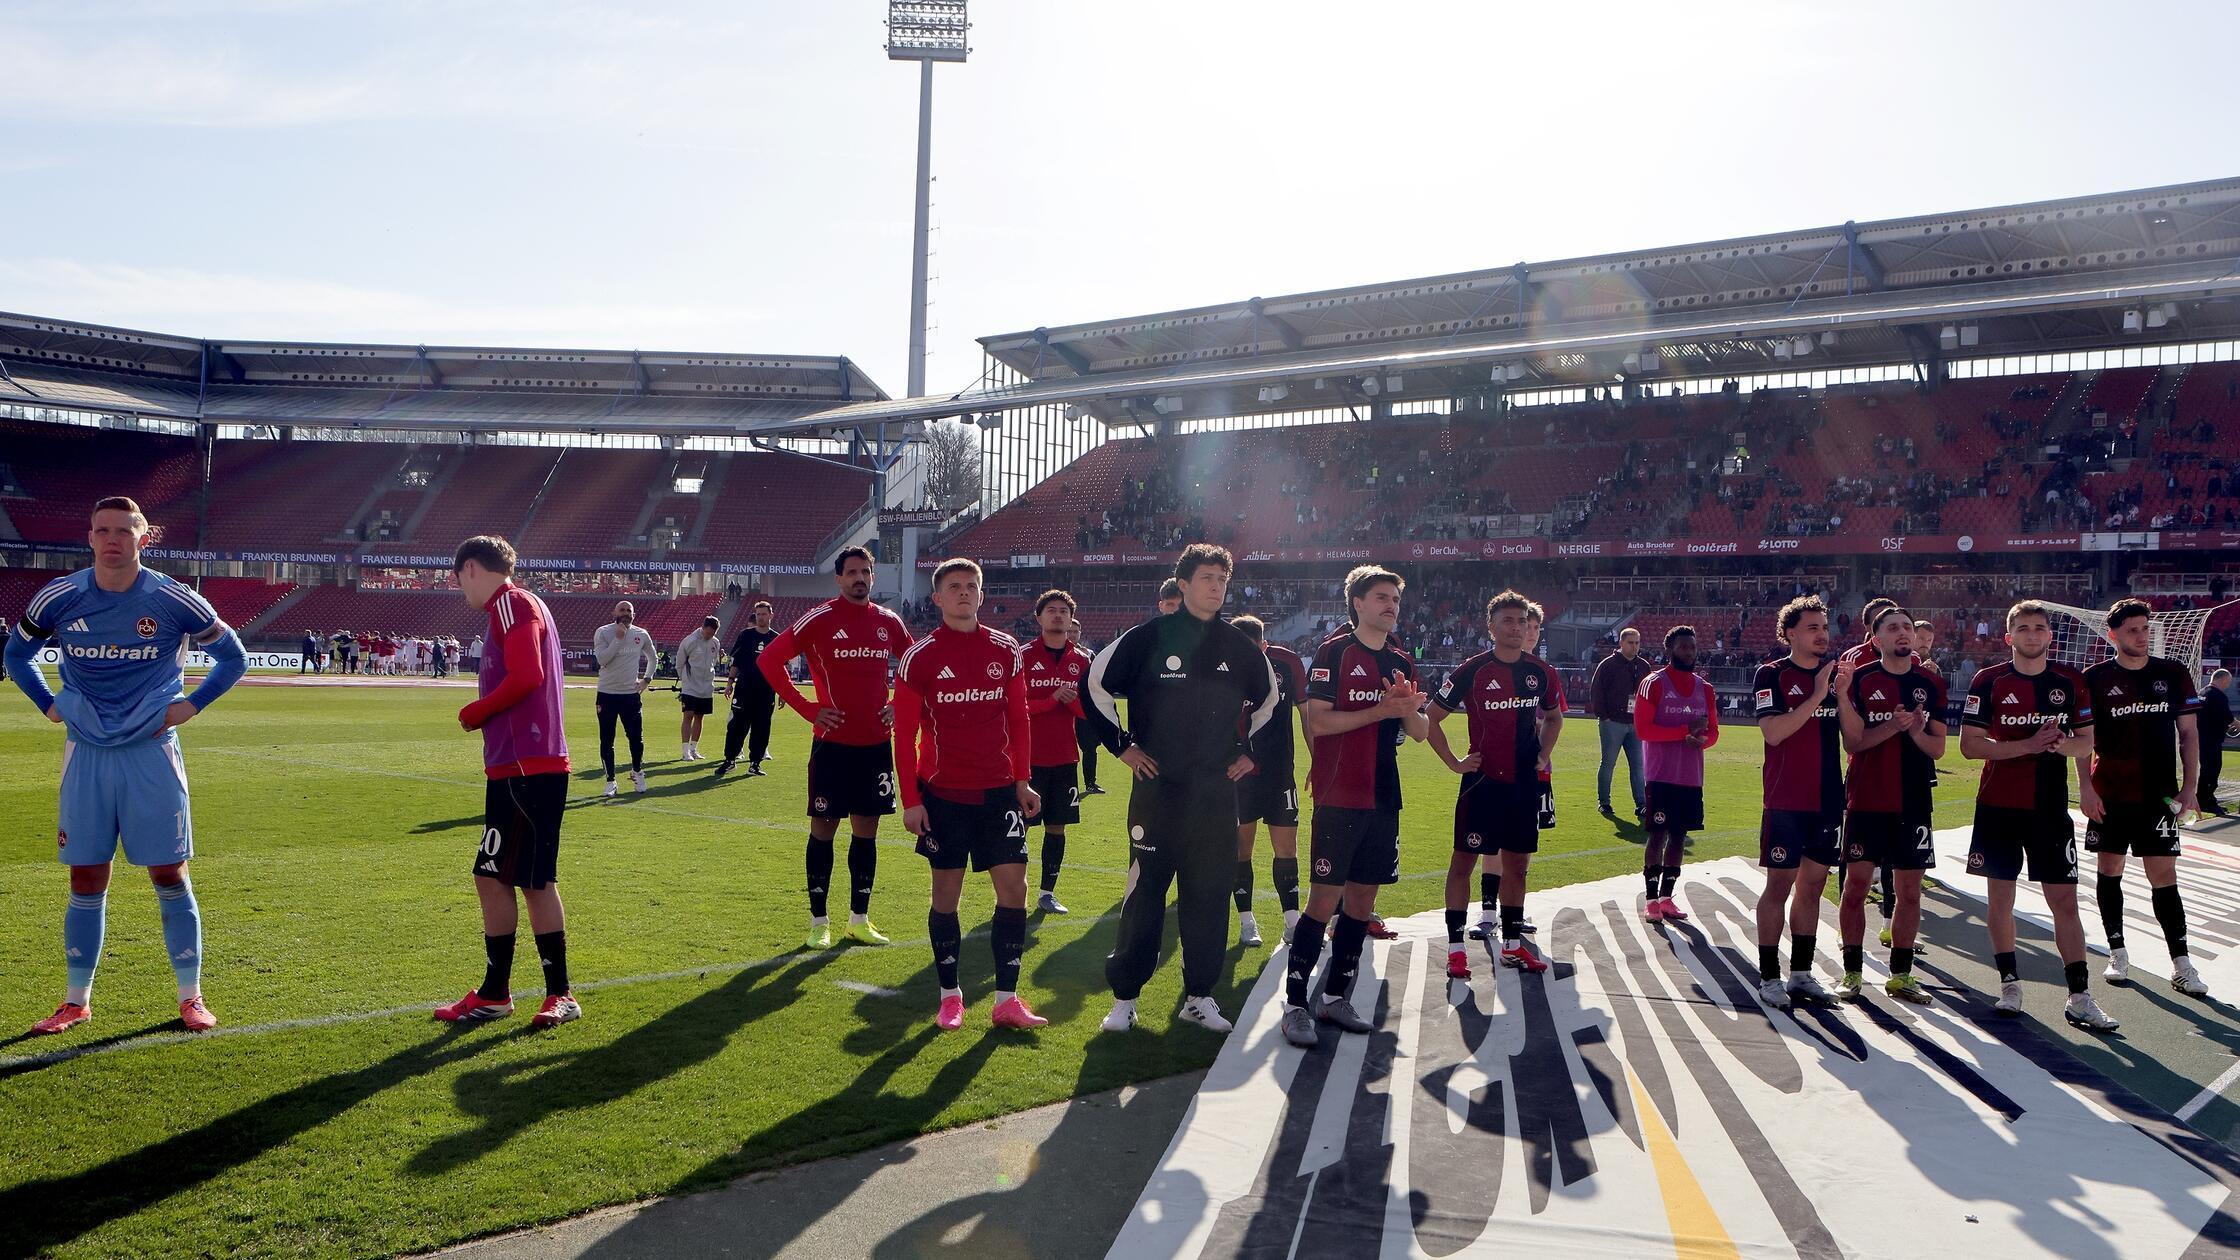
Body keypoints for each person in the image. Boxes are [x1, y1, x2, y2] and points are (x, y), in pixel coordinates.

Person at [7, 496, 247, 1036]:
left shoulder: (172, 599)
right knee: (86, 875)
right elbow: (16, 654)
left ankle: (191, 997)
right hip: (86, 753)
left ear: (144, 538)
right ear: (89, 538)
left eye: (124, 530)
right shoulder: (60, 597)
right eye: (102, 530)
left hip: (151, 753)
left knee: (169, 871)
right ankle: (75, 1001)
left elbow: (233, 656)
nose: (112, 539)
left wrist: (191, 704)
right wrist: (48, 704)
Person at [1084, 543, 1277, 1035]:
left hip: (1214, 793)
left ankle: (1199, 996)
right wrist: (1121, 745)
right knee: (1145, 891)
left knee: (1209, 892)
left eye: (1222, 579)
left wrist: (1247, 750)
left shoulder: (1238, 646)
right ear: (1185, 584)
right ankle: (1125, 998)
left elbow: (1271, 699)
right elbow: (1093, 684)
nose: (1216, 587)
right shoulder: (1148, 637)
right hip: (1157, 789)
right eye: (1207, 578)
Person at [893, 559, 1047, 1031]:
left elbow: (1019, 719)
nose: (964, 593)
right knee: (946, 895)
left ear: (982, 595)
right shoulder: (919, 657)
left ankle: (1006, 999)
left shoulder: (1007, 651)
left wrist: (1022, 780)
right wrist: (911, 800)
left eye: (971, 586)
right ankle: (950, 996)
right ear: (937, 598)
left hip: (1000, 792)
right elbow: (903, 736)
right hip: (943, 796)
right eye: (954, 587)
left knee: (1014, 890)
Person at [433, 536, 580, 1029]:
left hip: (529, 767)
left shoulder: (511, 605)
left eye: (459, 581)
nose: (461, 592)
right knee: (493, 875)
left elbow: (527, 675)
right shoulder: (518, 606)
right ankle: (496, 992)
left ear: (470, 568)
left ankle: (560, 993)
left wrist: (476, 711)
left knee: (534, 881)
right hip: (517, 768)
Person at [1280, 566, 1428, 1049]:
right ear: (1358, 603)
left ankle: (1336, 997)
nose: (1390, 605)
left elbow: (1422, 732)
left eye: (1395, 599)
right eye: (1381, 597)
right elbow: (1319, 723)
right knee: (1324, 900)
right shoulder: (1336, 651)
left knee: (1362, 904)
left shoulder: (1402, 661)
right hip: (1341, 792)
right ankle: (1296, 1004)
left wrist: (1407, 709)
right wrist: (1380, 711)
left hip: (1384, 794)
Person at [1960, 601, 2116, 1030]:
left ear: (2050, 636)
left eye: (2039, 628)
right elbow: (1971, 745)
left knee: (2064, 901)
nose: (2032, 635)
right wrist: (2028, 745)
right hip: (1997, 808)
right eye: (2024, 629)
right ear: (2009, 637)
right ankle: (2010, 984)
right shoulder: (1988, 681)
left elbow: (2085, 742)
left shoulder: (2070, 681)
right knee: (2000, 900)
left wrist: (2057, 744)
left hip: (2049, 809)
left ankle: (2080, 996)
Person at [760, 546, 914, 949]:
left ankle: (859, 920)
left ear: (873, 577)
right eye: (852, 572)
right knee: (824, 829)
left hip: (876, 746)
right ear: (839, 578)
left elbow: (917, 667)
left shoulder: (888, 621)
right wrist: (808, 709)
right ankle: (819, 922)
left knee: (867, 831)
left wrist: (898, 705)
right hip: (832, 747)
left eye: (866, 572)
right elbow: (769, 662)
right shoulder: (820, 619)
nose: (860, 578)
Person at [1429, 591, 1561, 982]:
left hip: (1523, 784)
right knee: (1462, 864)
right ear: (1491, 626)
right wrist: (1455, 762)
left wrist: (1542, 754)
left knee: (1517, 866)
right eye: (1508, 620)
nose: (1517, 627)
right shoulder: (1472, 669)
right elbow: (1431, 718)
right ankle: (1455, 949)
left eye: (1522, 621)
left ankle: (1513, 944)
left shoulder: (1540, 672)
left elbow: (1554, 717)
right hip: (1481, 784)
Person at [2086, 597, 2210, 997]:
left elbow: (2189, 735)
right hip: (2110, 793)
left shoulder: (2173, 673)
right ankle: (2117, 952)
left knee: (2164, 878)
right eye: (2132, 630)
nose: (2141, 636)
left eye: (2145, 628)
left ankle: (2181, 963)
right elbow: (2083, 741)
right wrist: (2085, 789)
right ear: (2113, 635)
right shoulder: (2095, 678)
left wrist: (2190, 787)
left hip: (2158, 795)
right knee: (2110, 871)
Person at [1834, 607, 1948, 1004]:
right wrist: (1891, 726)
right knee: (1855, 887)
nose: (1902, 633)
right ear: (1876, 638)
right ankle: (1851, 972)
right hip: (1867, 798)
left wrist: (1915, 730)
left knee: (1910, 892)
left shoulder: (1931, 683)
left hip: (1914, 799)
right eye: (1892, 628)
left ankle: (1901, 975)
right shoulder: (1860, 680)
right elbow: (1854, 743)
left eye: (1906, 627)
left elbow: (1937, 747)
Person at [1750, 596, 1841, 1008]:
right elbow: (1775, 733)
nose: (1822, 634)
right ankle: (1769, 977)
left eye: (1824, 628)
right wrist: (1818, 693)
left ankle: (1801, 974)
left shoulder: (1837, 676)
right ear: (1789, 633)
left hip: (1828, 798)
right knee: (1779, 885)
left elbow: (1852, 737)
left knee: (1814, 886)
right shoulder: (1771, 675)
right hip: (1787, 798)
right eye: (1812, 628)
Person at [1231, 614, 1308, 947]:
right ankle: (1247, 920)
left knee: (1287, 847)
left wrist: (1319, 761)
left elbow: (1307, 715)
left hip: (1279, 774)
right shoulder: (1221, 668)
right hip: (1238, 777)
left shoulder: (1287, 664)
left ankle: (1292, 921)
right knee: (1241, 849)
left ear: (1265, 645)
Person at [1636, 626, 1718, 924]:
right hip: (1660, 775)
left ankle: (1668, 897)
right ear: (1669, 650)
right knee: (1657, 835)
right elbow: (1644, 730)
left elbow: (1713, 732)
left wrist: (1702, 741)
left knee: (1679, 836)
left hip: (1690, 776)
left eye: (1692, 647)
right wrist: (1685, 732)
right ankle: (1651, 899)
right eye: (1683, 647)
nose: (1689, 652)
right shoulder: (1653, 683)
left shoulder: (1704, 688)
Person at [1021, 590, 1093, 914]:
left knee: (1057, 827)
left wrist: (1070, 701)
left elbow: (1088, 711)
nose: (1058, 615)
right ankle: (1013, 893)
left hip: (1065, 757)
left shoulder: (1082, 660)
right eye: (1051, 610)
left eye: (1063, 610)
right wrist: (1050, 701)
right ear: (1039, 618)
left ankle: (1047, 893)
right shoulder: (1021, 656)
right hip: (1026, 759)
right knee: (1019, 827)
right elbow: (1013, 709)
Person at [592, 601, 655, 796]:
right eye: (622, 610)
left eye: (629, 610)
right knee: (607, 739)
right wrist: (618, 639)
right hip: (607, 694)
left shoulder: (641, 634)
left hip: (630, 695)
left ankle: (637, 771)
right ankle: (611, 781)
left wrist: (646, 680)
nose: (626, 613)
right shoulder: (603, 632)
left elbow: (653, 658)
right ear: (614, 612)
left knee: (636, 738)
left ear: (634, 614)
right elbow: (602, 660)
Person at [1590, 627, 1651, 819]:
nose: (1634, 647)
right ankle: (1604, 802)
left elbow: (1650, 694)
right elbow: (1596, 691)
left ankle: (1642, 803)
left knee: (1638, 765)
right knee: (1608, 763)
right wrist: (1604, 716)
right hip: (1612, 722)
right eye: (1631, 643)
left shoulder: (1643, 666)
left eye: (1637, 643)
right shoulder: (1607, 665)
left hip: (1635, 723)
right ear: (1621, 643)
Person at [718, 601, 781, 776]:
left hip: (766, 691)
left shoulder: (776, 638)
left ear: (771, 615)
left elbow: (780, 667)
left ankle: (755, 763)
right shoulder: (745, 635)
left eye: (764, 614)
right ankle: (730, 760)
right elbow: (736, 660)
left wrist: (782, 692)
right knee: (737, 725)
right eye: (758, 614)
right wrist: (730, 682)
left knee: (762, 727)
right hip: (744, 688)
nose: (761, 617)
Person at [676, 615, 721, 760]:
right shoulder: (690, 641)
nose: (710, 635)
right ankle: (685, 751)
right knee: (688, 715)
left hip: (706, 686)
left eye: (713, 633)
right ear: (703, 628)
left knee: (700, 717)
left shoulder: (715, 643)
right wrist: (685, 681)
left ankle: (694, 748)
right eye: (708, 632)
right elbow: (680, 663)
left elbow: (713, 663)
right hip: (690, 685)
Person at [1069, 616, 1104, 794]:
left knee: (1089, 747)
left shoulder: (1089, 655)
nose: (1073, 635)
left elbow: (1096, 680)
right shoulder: (1056, 653)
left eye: (1076, 632)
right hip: (1064, 710)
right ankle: (1067, 784)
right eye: (1070, 631)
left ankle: (1090, 783)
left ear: (1080, 633)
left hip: (1083, 710)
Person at [2203, 668, 2233, 816]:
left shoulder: (2200, 693)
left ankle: (2204, 799)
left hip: (2200, 740)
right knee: (2212, 771)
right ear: (2223, 680)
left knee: (2203, 771)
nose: (2227, 685)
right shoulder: (2219, 696)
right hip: (2212, 741)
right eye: (2228, 682)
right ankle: (2208, 802)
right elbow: (2229, 719)